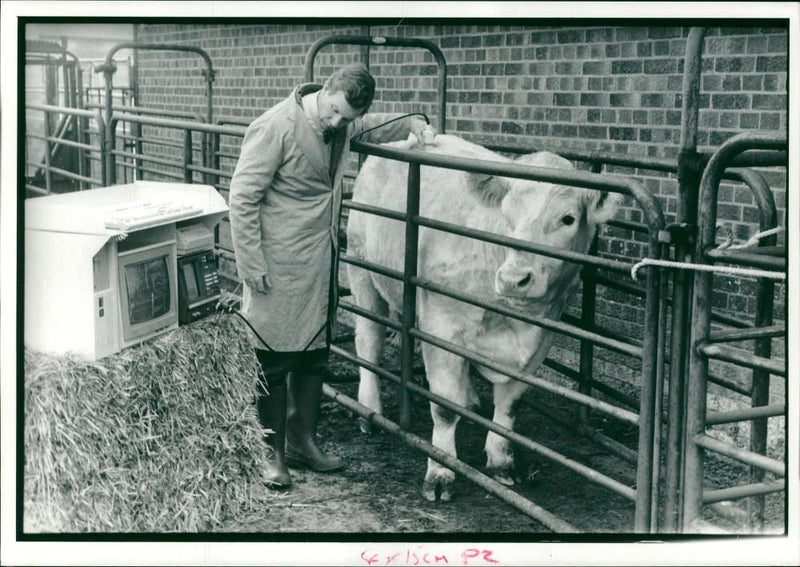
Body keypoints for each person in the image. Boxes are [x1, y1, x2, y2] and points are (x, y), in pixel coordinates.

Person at [229, 63, 433, 489]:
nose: (338, 123)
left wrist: (414, 121)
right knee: (273, 355)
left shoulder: (340, 123)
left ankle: (304, 441)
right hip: (277, 263)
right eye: (336, 112)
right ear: (325, 91)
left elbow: (373, 127)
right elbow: (243, 197)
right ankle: (270, 452)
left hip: (319, 259)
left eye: (346, 119)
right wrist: (250, 264)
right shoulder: (275, 127)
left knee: (313, 353)